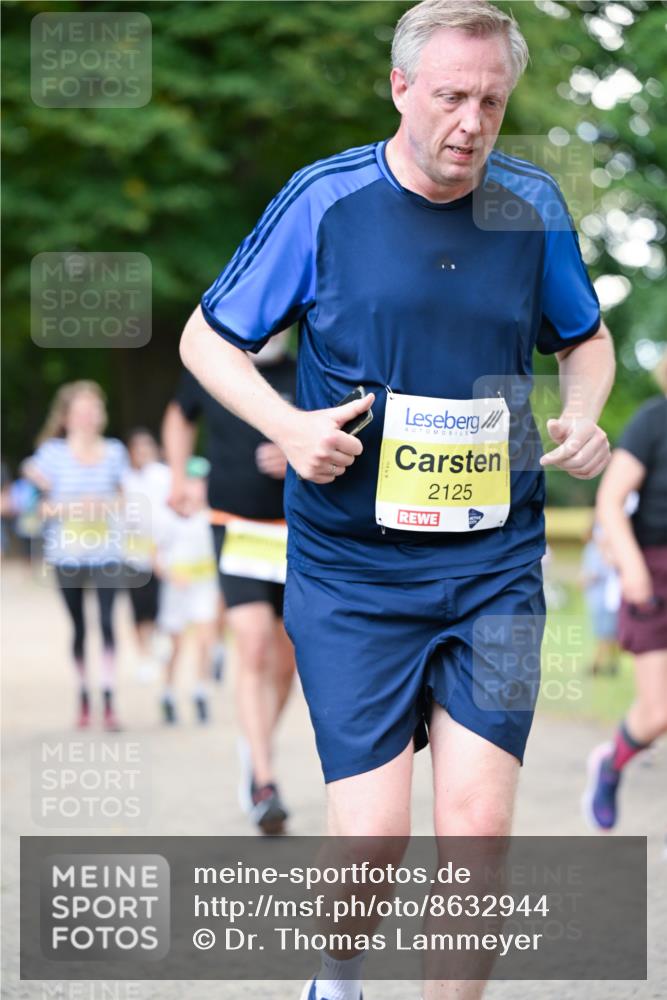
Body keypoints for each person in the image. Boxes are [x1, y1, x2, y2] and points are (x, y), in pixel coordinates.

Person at [180, 2, 614, 996]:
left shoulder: (530, 205)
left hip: (494, 563)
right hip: (352, 572)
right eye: (452, 96)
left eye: (492, 102)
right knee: (373, 838)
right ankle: (337, 973)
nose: (471, 121)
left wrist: (584, 415)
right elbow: (208, 340)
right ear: (401, 88)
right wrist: (288, 425)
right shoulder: (324, 201)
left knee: (477, 828)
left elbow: (584, 339)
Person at [162, 331, 297, 834]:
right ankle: (263, 780)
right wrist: (178, 477)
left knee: (286, 660)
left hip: (295, 530)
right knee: (253, 642)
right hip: (233, 524)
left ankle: (254, 742)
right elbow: (179, 415)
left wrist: (297, 453)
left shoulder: (308, 369)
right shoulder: (215, 364)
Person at [584, 352, 667, 831]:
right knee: (658, 712)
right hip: (653, 574)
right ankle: (610, 766)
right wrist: (633, 568)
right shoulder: (653, 421)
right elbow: (611, 500)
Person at [23, 381, 128, 730]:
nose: (88, 416)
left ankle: (109, 700)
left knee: (108, 623)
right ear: (66, 417)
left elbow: (124, 499)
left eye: (94, 409)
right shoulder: (51, 455)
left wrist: (104, 505)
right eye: (81, 411)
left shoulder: (114, 451)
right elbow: (37, 507)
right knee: (79, 626)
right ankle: (84, 697)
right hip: (66, 553)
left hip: (107, 551)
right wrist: (73, 507)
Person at [153, 457, 219, 724]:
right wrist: (171, 575)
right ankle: (168, 692)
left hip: (204, 586)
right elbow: (156, 556)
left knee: (205, 640)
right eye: (192, 481)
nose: (197, 487)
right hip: (176, 590)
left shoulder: (210, 516)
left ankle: (201, 690)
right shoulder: (168, 518)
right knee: (175, 645)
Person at [121, 427, 170, 680]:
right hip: (135, 553)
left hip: (163, 552)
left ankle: (157, 648)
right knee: (139, 609)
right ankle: (144, 655)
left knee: (161, 606)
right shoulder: (125, 479)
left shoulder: (164, 476)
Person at [580, 523, 621, 676]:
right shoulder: (591, 549)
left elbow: (595, 572)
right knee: (607, 633)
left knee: (605, 633)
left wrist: (585, 579)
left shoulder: (609, 549)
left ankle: (596, 665)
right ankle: (613, 664)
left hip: (607, 598)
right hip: (595, 598)